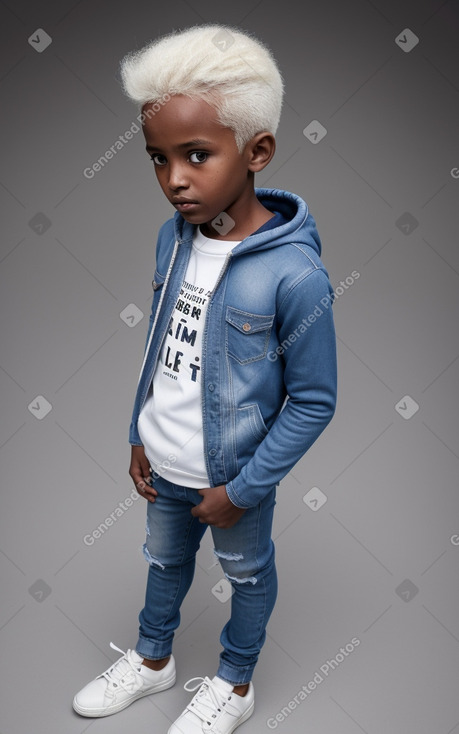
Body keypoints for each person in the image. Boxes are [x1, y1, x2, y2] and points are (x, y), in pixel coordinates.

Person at [72, 23, 337, 734]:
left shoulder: (295, 276)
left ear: (257, 152)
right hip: (165, 462)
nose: (174, 179)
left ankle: (234, 681)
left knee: (246, 575)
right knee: (162, 562)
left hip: (233, 477)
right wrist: (138, 431)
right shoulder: (172, 238)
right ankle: (153, 661)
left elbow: (314, 400)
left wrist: (243, 489)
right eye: (157, 159)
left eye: (195, 155)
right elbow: (162, 344)